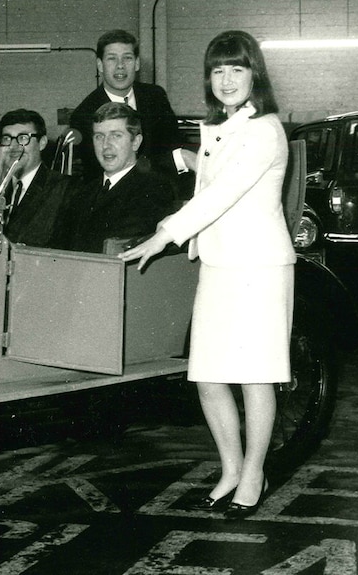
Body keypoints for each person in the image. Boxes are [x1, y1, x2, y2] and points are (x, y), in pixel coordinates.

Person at [119, 31, 295, 521]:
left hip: (258, 267)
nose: (227, 80)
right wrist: (184, 161)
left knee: (256, 378)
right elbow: (211, 183)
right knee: (208, 377)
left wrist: (165, 234)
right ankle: (231, 469)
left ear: (254, 74)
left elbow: (223, 195)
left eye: (237, 69)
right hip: (219, 264)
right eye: (218, 70)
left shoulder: (265, 130)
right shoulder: (216, 128)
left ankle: (255, 473)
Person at [68, 29, 189, 189]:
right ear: (100, 65)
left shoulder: (156, 97)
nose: (120, 66)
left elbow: (173, 144)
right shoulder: (84, 115)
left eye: (127, 58)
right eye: (112, 59)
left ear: (137, 63)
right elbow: (98, 174)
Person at [55, 102, 174, 252]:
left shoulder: (153, 187)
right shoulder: (83, 192)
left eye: (116, 135)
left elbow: (121, 245)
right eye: (99, 136)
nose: (106, 145)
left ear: (136, 142)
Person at [0, 109, 80, 248]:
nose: (13, 146)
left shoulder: (66, 189)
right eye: (7, 138)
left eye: (23, 138)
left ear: (42, 143)